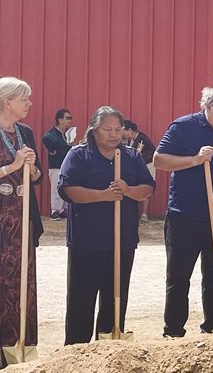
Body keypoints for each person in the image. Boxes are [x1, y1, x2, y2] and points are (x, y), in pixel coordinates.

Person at [154, 85, 213, 337]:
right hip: (184, 216)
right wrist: (194, 160)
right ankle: (173, 330)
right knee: (179, 276)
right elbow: (159, 160)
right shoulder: (183, 127)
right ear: (206, 106)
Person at [59, 107, 155, 344]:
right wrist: (104, 195)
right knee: (81, 299)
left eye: (117, 129)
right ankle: (75, 350)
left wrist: (128, 190)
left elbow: (148, 187)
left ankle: (109, 346)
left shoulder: (131, 156)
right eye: (107, 129)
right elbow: (68, 190)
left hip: (122, 241)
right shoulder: (79, 155)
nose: (113, 135)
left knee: (115, 298)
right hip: (87, 241)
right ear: (94, 130)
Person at [0, 77, 43, 373]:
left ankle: (15, 344)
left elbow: (38, 176)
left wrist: (32, 168)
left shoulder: (25, 132)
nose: (29, 104)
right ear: (7, 102)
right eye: (24, 99)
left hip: (20, 221)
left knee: (20, 282)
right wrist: (12, 167)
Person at [42, 108, 73, 219]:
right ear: (60, 120)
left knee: (63, 187)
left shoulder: (64, 135)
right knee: (56, 187)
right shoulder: (54, 134)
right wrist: (57, 149)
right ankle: (54, 210)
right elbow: (46, 138)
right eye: (67, 118)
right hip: (56, 165)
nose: (70, 120)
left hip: (63, 165)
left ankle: (61, 209)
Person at [123, 120, 155, 221]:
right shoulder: (128, 140)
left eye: (123, 130)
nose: (122, 133)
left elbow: (152, 151)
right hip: (137, 166)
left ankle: (144, 213)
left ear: (130, 130)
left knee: (146, 186)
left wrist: (141, 159)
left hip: (148, 165)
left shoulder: (142, 138)